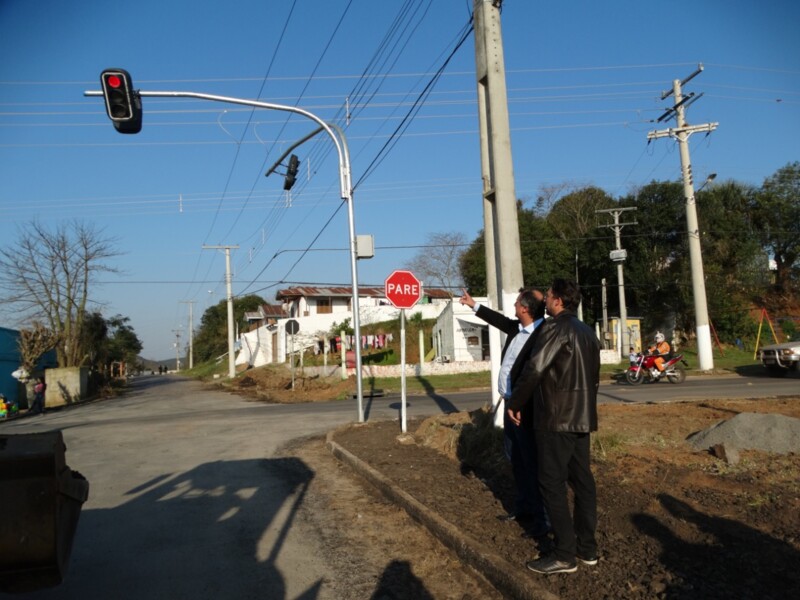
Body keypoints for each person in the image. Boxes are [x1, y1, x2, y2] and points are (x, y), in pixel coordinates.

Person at [508, 278, 600, 575]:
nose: (545, 300)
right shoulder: (587, 331)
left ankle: (564, 555)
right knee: (582, 482)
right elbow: (594, 377)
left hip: (555, 418)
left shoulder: (554, 328)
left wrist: (516, 402)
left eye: (548, 296)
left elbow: (535, 368)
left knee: (551, 483)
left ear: (558, 300)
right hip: (582, 418)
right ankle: (587, 549)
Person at [459, 287, 550, 538]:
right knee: (516, 459)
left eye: (518, 302)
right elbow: (497, 320)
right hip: (511, 405)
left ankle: (542, 520)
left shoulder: (543, 333)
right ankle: (524, 507)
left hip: (525, 409)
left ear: (525, 309)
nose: (514, 305)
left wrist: (520, 403)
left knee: (531, 463)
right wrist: (473, 304)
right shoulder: (517, 328)